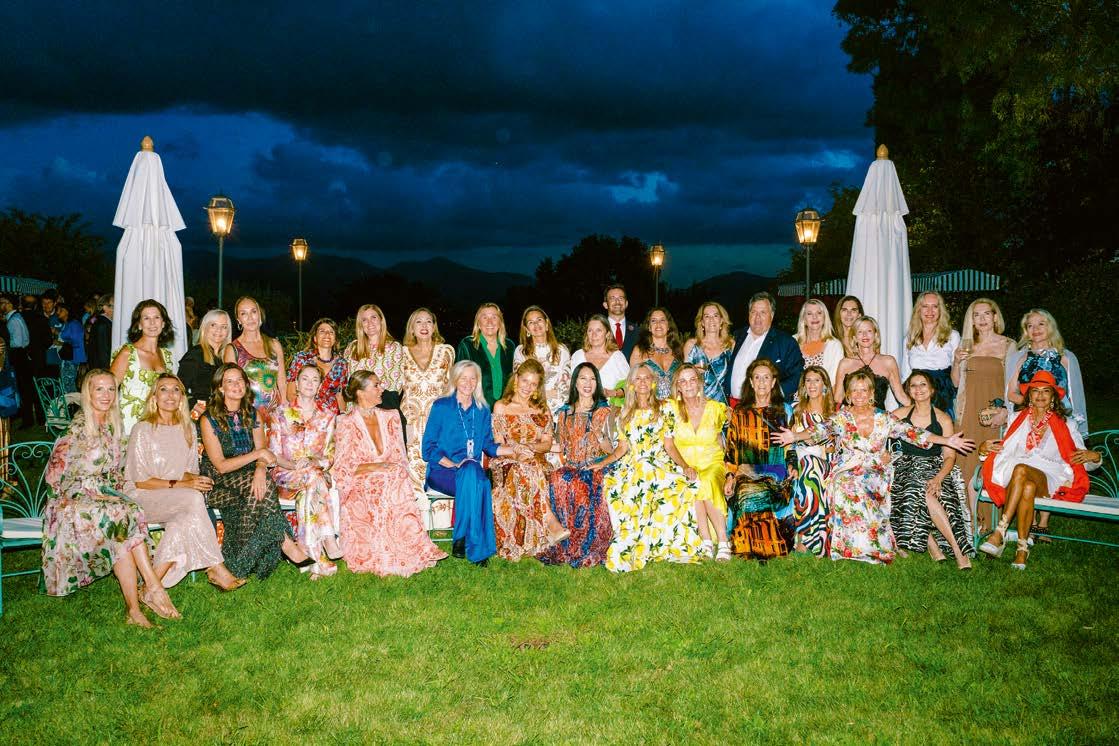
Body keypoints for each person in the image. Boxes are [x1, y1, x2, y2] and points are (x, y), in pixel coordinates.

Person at [775, 370, 975, 564]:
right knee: (844, 482)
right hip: (848, 466)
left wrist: (946, 440)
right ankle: (848, 547)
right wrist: (795, 436)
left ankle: (873, 547)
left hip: (877, 468)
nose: (859, 395)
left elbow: (914, 433)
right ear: (848, 395)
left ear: (871, 394)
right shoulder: (842, 417)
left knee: (860, 482)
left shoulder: (884, 418)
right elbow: (819, 430)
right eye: (854, 390)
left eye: (864, 390)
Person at [42, 369, 180, 627]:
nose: (106, 395)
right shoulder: (79, 427)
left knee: (123, 530)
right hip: (71, 503)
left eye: (111, 389)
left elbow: (117, 471)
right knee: (126, 513)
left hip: (101, 499)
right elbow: (54, 476)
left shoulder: (112, 425)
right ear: (88, 393)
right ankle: (153, 586)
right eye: (99, 389)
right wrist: (82, 496)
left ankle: (134, 610)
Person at [124, 374, 244, 590]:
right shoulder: (142, 429)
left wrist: (196, 480)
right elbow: (140, 481)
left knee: (182, 523)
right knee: (192, 499)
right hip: (142, 498)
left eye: (176, 390)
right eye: (163, 389)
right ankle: (215, 566)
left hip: (175, 497)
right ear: (154, 397)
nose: (170, 395)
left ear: (181, 397)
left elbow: (187, 472)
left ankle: (151, 586)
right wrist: (184, 485)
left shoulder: (186, 428)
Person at [979, 370, 1100, 570]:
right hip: (1017, 474)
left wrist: (1096, 457)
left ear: (1053, 397)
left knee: (1021, 470)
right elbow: (1003, 447)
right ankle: (1021, 550)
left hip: (1049, 476)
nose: (1040, 395)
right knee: (1026, 485)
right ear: (1029, 396)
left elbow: (1081, 458)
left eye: (1046, 391)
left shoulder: (1067, 424)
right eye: (1035, 390)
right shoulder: (1016, 418)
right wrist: (983, 450)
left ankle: (999, 532)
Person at [200, 364, 311, 579]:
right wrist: (258, 456)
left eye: (240, 380)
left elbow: (263, 455)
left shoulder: (253, 415)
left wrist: (261, 468)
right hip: (218, 482)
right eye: (230, 381)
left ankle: (235, 566)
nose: (236, 385)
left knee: (256, 494)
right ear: (220, 388)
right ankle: (286, 543)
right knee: (261, 490)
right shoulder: (209, 419)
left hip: (249, 477)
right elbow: (221, 465)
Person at [332, 371, 447, 576]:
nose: (382, 389)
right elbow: (343, 466)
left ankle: (413, 547)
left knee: (396, 476)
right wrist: (376, 468)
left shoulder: (391, 416)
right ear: (360, 392)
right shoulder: (345, 422)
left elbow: (399, 456)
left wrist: (389, 469)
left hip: (390, 478)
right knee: (386, 479)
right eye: (376, 385)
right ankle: (384, 553)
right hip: (360, 482)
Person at [593, 363, 703, 572]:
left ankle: (665, 544)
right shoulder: (625, 413)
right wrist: (602, 463)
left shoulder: (665, 408)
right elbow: (621, 449)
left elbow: (669, 445)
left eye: (646, 378)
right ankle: (636, 543)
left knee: (678, 483)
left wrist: (685, 466)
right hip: (634, 464)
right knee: (641, 471)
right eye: (638, 378)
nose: (642, 382)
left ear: (653, 382)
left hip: (659, 462)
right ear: (632, 384)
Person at [423, 361, 521, 565]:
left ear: (478, 381)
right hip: (443, 471)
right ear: (455, 380)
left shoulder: (482, 410)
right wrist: (453, 465)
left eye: (473, 378)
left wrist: (515, 449)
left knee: (473, 474)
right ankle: (474, 545)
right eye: (463, 378)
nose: (468, 383)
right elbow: (428, 449)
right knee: (479, 480)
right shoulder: (442, 406)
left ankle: (462, 538)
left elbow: (488, 445)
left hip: (470, 471)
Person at [888, 372, 974, 569]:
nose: (918, 389)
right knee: (916, 488)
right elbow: (882, 434)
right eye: (913, 385)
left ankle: (939, 547)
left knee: (927, 491)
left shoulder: (943, 419)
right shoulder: (899, 414)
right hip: (905, 466)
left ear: (932, 389)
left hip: (935, 467)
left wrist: (938, 478)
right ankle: (955, 551)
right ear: (908, 390)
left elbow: (950, 456)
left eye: (923, 385)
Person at [268, 365, 342, 580]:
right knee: (312, 478)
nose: (310, 383)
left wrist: (312, 461)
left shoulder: (328, 416)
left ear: (319, 386)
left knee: (310, 486)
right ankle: (328, 539)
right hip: (285, 474)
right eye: (305, 379)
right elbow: (273, 455)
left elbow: (330, 455)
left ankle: (312, 557)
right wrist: (294, 466)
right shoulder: (280, 413)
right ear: (297, 384)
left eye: (315, 380)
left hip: (315, 474)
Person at [489, 359, 567, 560]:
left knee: (531, 466)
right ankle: (550, 521)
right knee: (522, 468)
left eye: (533, 384)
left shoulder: (541, 409)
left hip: (536, 458)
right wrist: (517, 451)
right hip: (508, 460)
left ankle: (543, 528)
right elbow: (498, 443)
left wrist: (531, 448)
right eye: (525, 381)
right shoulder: (501, 407)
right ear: (516, 379)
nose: (528, 387)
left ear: (538, 387)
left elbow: (546, 444)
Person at [539, 362, 615, 568]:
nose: (587, 383)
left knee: (580, 486)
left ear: (597, 383)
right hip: (572, 466)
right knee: (557, 478)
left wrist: (599, 435)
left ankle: (582, 546)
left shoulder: (605, 411)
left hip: (596, 466)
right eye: (583, 378)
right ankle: (563, 538)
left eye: (592, 379)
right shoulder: (565, 413)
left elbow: (611, 450)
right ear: (575, 383)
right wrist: (536, 445)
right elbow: (560, 445)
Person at [952, 297, 1015, 533]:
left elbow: (1015, 385)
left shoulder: (1009, 346)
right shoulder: (967, 346)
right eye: (976, 315)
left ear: (995, 317)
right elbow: (956, 382)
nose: (982, 319)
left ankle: (990, 519)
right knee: (966, 463)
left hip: (994, 413)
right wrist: (956, 362)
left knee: (991, 462)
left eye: (986, 313)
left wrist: (1006, 412)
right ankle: (968, 519)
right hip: (968, 412)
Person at [723, 359, 796, 560]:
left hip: (776, 469)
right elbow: (731, 450)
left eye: (766, 378)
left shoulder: (784, 410)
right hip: (747, 470)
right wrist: (730, 476)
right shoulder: (740, 412)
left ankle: (769, 546)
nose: (762, 382)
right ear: (751, 382)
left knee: (762, 491)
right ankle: (750, 547)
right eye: (757, 377)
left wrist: (792, 465)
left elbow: (790, 445)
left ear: (773, 382)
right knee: (746, 492)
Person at [668, 363, 731, 560]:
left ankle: (723, 541)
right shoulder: (670, 409)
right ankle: (706, 541)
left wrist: (731, 468)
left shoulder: (716, 408)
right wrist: (684, 466)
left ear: (699, 383)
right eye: (683, 381)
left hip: (712, 462)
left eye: (692, 380)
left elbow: (731, 430)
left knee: (707, 479)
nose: (688, 385)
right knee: (694, 480)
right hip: (685, 464)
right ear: (678, 386)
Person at [400, 307, 456, 496]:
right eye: (419, 322)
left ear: (434, 327)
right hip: (411, 421)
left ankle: (439, 515)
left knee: (440, 466)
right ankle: (415, 512)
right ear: (411, 328)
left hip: (439, 421)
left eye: (428, 321)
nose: (424, 326)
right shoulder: (401, 353)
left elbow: (452, 388)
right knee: (411, 466)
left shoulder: (446, 351)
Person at [1006, 309, 1087, 436]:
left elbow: (1076, 397)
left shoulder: (1066, 358)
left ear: (1051, 327)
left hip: (1059, 420)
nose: (1035, 329)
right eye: (1030, 325)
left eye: (1041, 324)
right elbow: (1010, 394)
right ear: (1026, 331)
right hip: (1026, 422)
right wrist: (1037, 406)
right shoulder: (1019, 358)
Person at [110, 299, 175, 435]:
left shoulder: (167, 356)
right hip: (130, 425)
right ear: (139, 325)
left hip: (158, 424)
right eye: (146, 318)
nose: (152, 323)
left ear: (163, 323)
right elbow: (109, 389)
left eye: (156, 317)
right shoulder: (128, 353)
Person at [726, 291, 804, 404]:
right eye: (754, 312)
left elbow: (797, 375)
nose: (757, 317)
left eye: (763, 312)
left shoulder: (785, 342)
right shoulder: (737, 336)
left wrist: (775, 395)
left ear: (772, 315)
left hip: (767, 407)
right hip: (732, 405)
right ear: (749, 314)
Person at [789, 366, 834, 557]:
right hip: (799, 460)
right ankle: (809, 538)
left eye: (817, 380)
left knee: (810, 467)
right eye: (808, 380)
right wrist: (792, 463)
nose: (812, 384)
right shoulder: (796, 410)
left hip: (826, 461)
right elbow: (789, 443)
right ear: (803, 385)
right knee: (807, 466)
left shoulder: (834, 412)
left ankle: (803, 539)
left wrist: (810, 440)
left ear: (825, 384)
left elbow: (833, 446)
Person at [224, 296, 286, 414]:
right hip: (247, 414)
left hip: (275, 414)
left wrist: (285, 409)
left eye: (253, 311)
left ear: (259, 314)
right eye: (244, 313)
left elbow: (282, 381)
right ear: (238, 320)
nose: (250, 318)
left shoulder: (274, 345)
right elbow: (230, 388)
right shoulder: (232, 349)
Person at [904, 291, 960, 419]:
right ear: (918, 310)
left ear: (941, 310)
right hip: (916, 393)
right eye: (925, 306)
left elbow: (957, 378)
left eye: (935, 306)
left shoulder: (953, 336)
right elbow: (905, 373)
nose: (930, 311)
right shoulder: (909, 337)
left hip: (942, 394)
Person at [834, 316, 909, 409]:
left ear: (875, 335)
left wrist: (920, 408)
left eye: (869, 331)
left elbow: (901, 395)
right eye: (860, 332)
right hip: (851, 416)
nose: (865, 335)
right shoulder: (845, 364)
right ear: (854, 337)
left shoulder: (888, 362)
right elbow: (838, 398)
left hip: (878, 417)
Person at [344, 304, 405, 410]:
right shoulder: (352, 347)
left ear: (381, 320)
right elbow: (347, 382)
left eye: (373, 317)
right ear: (360, 324)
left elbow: (395, 386)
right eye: (364, 320)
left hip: (382, 408)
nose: (370, 323)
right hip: (355, 409)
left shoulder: (394, 347)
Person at [512, 306, 571, 416]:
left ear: (546, 323)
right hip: (530, 411)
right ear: (526, 329)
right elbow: (519, 386)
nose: (536, 324)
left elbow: (566, 385)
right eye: (530, 322)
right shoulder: (521, 351)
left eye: (539, 320)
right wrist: (547, 394)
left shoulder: (562, 350)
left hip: (559, 411)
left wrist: (540, 394)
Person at [286, 317, 349, 416]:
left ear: (335, 339)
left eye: (331, 332)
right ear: (315, 338)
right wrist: (303, 415)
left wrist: (342, 416)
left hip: (331, 416)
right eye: (322, 331)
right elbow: (291, 392)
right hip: (304, 414)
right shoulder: (302, 358)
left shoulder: (341, 364)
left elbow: (340, 395)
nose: (327, 334)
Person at [456, 303, 515, 407]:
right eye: (484, 317)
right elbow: (460, 380)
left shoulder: (509, 346)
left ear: (500, 322)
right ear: (478, 323)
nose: (489, 322)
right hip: (476, 408)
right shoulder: (467, 345)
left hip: (505, 408)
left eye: (494, 317)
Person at [178, 309, 232, 418]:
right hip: (200, 416)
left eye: (224, 326)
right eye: (213, 325)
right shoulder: (195, 354)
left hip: (223, 415)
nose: (219, 330)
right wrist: (194, 407)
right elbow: (178, 388)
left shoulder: (228, 357)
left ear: (228, 331)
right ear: (205, 327)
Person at [568, 314, 630, 407]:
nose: (594, 335)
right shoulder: (578, 356)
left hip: (610, 410)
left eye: (598, 330)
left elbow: (631, 386)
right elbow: (570, 385)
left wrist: (613, 393)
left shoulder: (617, 357)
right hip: (581, 409)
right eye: (590, 330)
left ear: (607, 334)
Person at [683, 301, 734, 404]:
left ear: (721, 320)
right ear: (702, 322)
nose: (711, 320)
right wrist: (693, 372)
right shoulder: (691, 345)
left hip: (723, 406)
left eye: (715, 315)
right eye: (707, 316)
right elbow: (682, 378)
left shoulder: (730, 345)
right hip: (697, 404)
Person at [628, 307, 683, 399]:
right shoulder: (640, 351)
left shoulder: (678, 350)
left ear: (668, 326)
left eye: (662, 320)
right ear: (649, 327)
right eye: (653, 321)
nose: (658, 324)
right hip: (650, 405)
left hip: (676, 404)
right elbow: (633, 384)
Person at [1, 293, 35, 429]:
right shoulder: (15, 318)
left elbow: (18, 342)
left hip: (18, 356)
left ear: (9, 304)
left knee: (22, 388)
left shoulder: (14, 320)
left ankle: (27, 420)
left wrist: (5, 346)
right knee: (22, 388)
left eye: (2, 302)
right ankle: (24, 418)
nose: (0, 305)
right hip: (20, 355)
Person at [793, 299, 844, 390]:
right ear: (804, 319)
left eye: (819, 313)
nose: (814, 317)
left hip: (824, 396)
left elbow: (834, 382)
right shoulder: (793, 341)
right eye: (809, 314)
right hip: (794, 396)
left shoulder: (834, 345)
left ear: (825, 318)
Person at [56, 302, 86, 393]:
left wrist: (61, 343)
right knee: (66, 384)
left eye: (60, 310)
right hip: (68, 358)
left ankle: (72, 401)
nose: (58, 313)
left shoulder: (74, 324)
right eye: (58, 310)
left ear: (67, 311)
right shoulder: (68, 324)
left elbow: (76, 342)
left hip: (73, 359)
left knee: (69, 385)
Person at [603, 284, 638, 359]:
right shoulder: (598, 331)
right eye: (612, 298)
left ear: (626, 303)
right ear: (605, 305)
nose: (617, 302)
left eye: (621, 298)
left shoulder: (637, 331)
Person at [85, 294, 114, 371]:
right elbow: (103, 352)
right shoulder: (102, 324)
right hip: (102, 369)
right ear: (105, 308)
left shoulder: (101, 320)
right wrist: (107, 370)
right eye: (113, 306)